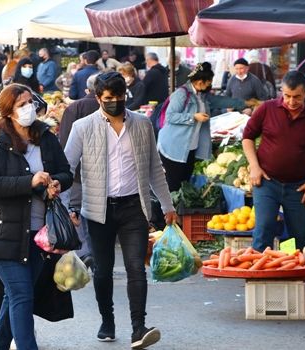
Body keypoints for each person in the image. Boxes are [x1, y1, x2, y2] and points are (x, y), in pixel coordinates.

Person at [63, 72, 175, 348]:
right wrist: (68, 206)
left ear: (127, 95)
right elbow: (66, 170)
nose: (115, 102)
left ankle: (139, 328)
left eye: (119, 97)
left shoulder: (142, 124)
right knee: (103, 270)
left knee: (137, 267)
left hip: (133, 207)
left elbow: (154, 169)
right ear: (99, 98)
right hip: (97, 209)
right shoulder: (82, 127)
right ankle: (107, 320)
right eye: (108, 98)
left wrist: (167, 204)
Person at [0, 83, 73, 350]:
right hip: (2, 235)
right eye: (21, 104)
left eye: (30, 102)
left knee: (14, 298)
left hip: (39, 237)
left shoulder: (45, 137)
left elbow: (66, 171)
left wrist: (56, 183)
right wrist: (29, 181)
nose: (28, 108)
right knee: (22, 295)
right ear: (8, 112)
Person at [242, 71, 305, 251]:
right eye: (287, 96)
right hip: (267, 182)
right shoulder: (267, 109)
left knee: (299, 236)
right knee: (264, 230)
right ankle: (260, 275)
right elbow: (247, 137)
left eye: (297, 97)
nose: (291, 102)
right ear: (281, 92)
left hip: (300, 187)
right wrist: (254, 166)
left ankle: (292, 274)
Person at [59, 74, 99, 267]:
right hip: (103, 172)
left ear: (86, 89)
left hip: (78, 172)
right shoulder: (111, 109)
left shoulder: (74, 108)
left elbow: (65, 141)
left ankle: (85, 251)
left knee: (77, 211)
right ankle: (96, 251)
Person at [157, 63, 214, 192]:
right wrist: (193, 117)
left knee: (185, 183)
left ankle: (181, 210)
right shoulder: (181, 93)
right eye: (208, 83)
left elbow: (218, 101)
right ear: (200, 82)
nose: (209, 86)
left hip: (190, 148)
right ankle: (172, 211)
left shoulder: (200, 95)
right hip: (173, 147)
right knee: (174, 184)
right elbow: (170, 116)